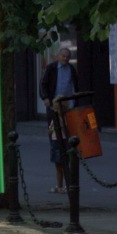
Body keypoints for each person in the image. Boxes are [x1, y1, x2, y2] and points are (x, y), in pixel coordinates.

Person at [40, 47, 78, 194]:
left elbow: (75, 85)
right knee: (55, 135)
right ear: (59, 56)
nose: (66, 59)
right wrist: (46, 98)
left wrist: (73, 102)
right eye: (63, 56)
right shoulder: (51, 68)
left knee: (67, 133)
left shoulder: (71, 70)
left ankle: (65, 181)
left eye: (68, 57)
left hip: (68, 105)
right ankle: (58, 149)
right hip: (54, 105)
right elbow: (43, 84)